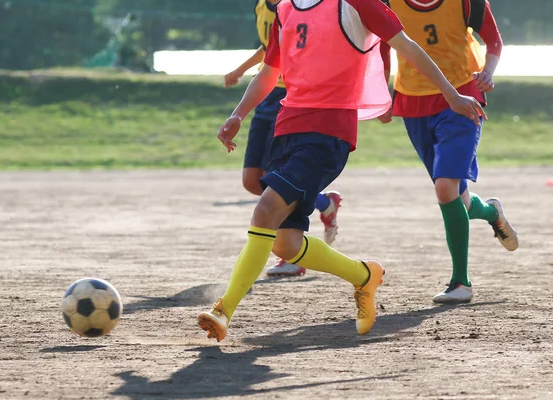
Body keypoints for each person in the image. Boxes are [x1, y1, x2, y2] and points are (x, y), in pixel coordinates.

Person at [198, 0, 485, 342]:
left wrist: (451, 94)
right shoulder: (287, 8)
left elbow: (408, 46)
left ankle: (223, 309)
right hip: (286, 130)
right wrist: (238, 114)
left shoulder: (358, 3)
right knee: (286, 245)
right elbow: (269, 71)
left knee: (265, 210)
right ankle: (363, 275)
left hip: (328, 134)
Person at [382, 0, 519, 304]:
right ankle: (491, 212)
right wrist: (381, 91)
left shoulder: (467, 2)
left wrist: (488, 71)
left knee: (445, 189)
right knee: (460, 199)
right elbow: (382, 45)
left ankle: (461, 282)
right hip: (414, 102)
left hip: (463, 96)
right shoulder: (388, 4)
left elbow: (494, 41)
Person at [223, 0, 342, 277]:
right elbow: (269, 49)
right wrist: (241, 71)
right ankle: (324, 203)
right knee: (253, 180)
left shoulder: (297, 6)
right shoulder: (261, 6)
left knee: (278, 181)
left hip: (290, 96)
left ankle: (293, 253)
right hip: (266, 92)